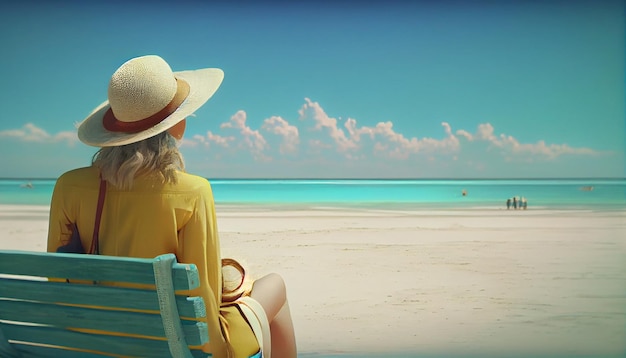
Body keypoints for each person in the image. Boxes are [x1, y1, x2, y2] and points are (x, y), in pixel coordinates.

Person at [46, 55, 296, 358]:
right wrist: (221, 351)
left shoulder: (68, 186)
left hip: (91, 341)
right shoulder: (192, 191)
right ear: (173, 124)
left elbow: (57, 279)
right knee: (275, 286)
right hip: (172, 345)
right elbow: (202, 296)